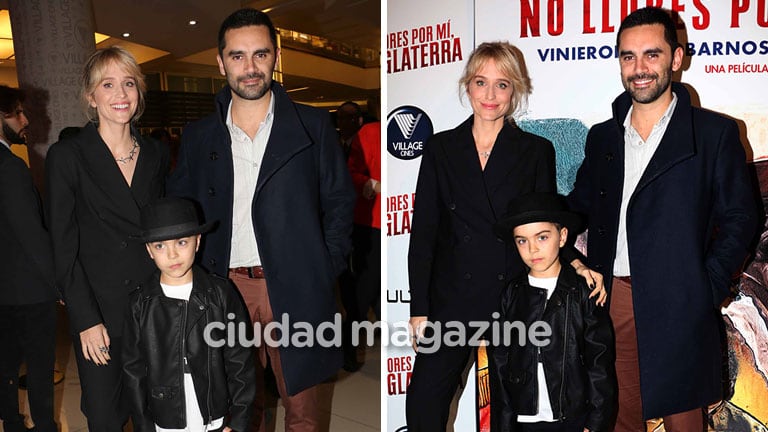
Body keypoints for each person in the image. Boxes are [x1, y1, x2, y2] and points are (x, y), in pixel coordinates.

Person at [567, 7, 757, 432]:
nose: (639, 69)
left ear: (676, 58)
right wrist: (535, 221)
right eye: (628, 57)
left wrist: (706, 286)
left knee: (683, 419)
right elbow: (578, 205)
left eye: (652, 55)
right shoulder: (603, 136)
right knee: (616, 413)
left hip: (680, 296)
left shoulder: (714, 134)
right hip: (611, 294)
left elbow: (741, 217)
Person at [166, 8, 355, 431]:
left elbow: (339, 201)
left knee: (304, 410)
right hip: (225, 288)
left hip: (297, 284)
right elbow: (182, 209)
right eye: (237, 56)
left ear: (276, 56)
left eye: (260, 55)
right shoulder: (198, 136)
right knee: (236, 408)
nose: (249, 68)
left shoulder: (312, 124)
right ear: (220, 62)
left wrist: (326, 266)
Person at [406, 41, 605, 431]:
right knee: (424, 407)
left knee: (507, 413)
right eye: (481, 83)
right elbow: (424, 231)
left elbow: (543, 226)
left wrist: (576, 262)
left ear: (515, 89)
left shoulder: (535, 150)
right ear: (468, 86)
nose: (490, 95)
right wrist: (419, 307)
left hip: (511, 298)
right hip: (451, 299)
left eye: (501, 84)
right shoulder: (440, 148)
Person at [46, 46, 170, 431]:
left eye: (129, 84)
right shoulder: (68, 156)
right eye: (108, 84)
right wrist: (85, 318)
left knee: (156, 409)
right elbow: (62, 246)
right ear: (91, 96)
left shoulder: (156, 153)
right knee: (104, 414)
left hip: (153, 306)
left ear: (140, 92)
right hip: (100, 312)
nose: (120, 95)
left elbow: (163, 232)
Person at [122, 197, 256, 432]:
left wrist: (239, 420)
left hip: (213, 412)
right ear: (149, 250)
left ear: (197, 242)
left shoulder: (221, 294)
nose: (172, 255)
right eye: (160, 246)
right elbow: (133, 371)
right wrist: (143, 425)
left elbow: (240, 361)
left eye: (181, 242)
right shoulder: (139, 304)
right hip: (164, 416)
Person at [491, 192, 615, 432]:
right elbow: (500, 365)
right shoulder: (511, 294)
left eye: (542, 237)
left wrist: (596, 422)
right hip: (524, 420)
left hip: (572, 418)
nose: (533, 249)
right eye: (522, 241)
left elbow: (599, 363)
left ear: (562, 236)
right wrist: (503, 424)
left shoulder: (582, 292)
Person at [0, 85, 58, 432]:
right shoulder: (10, 168)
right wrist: (59, 282)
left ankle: (11, 423)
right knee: (38, 368)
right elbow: (32, 236)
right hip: (30, 291)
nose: (25, 119)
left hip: (3, 292)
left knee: (5, 366)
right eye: (17, 112)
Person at [342, 119, 381, 371]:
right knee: (364, 289)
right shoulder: (369, 132)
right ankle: (347, 348)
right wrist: (371, 184)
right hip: (371, 223)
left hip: (407, 225)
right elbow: (351, 172)